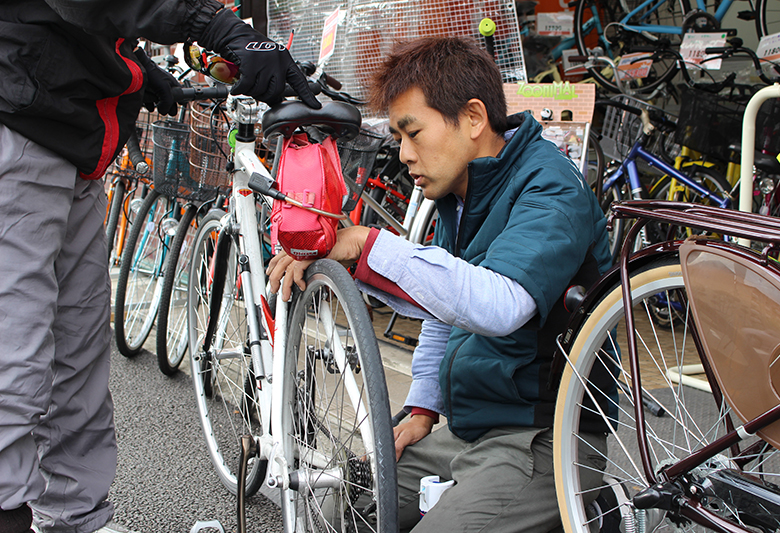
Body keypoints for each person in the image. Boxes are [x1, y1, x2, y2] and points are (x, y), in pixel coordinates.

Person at [267, 36, 614, 532]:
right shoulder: (464, 189)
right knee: (340, 510)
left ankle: (593, 514)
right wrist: (423, 408)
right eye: (398, 138)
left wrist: (368, 245)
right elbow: (444, 310)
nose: (404, 154)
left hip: (543, 437)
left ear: (473, 118)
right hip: (470, 430)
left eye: (413, 132)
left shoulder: (550, 187)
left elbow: (499, 304)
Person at [0, 2, 319, 532]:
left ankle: (73, 517)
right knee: (14, 354)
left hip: (68, 139)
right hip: (21, 123)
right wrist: (212, 26)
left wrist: (127, 70)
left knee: (77, 351)